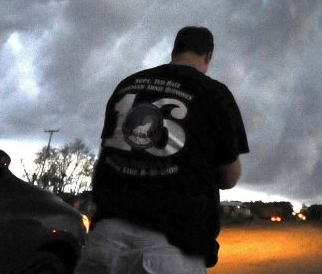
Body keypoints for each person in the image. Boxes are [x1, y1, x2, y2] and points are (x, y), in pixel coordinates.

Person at [76, 26, 249, 273]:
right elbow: (229, 177)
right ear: (208, 56)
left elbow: (109, 150)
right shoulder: (214, 93)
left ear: (174, 49)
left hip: (103, 239)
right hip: (169, 248)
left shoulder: (128, 85)